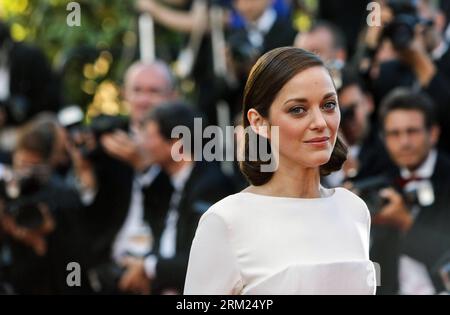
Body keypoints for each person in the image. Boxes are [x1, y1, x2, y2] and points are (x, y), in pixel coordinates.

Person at [184, 47, 376, 295]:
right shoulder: (226, 221)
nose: (320, 122)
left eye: (328, 105)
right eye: (298, 109)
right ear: (258, 122)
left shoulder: (354, 209)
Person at [118, 102, 235, 294]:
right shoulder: (171, 181)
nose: (140, 144)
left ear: (177, 144)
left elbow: (202, 261)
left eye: (148, 136)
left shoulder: (210, 186)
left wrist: (147, 266)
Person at [370, 88, 450, 295]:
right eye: (394, 134)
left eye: (412, 131)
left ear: (433, 133)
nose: (404, 142)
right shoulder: (380, 185)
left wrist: (406, 223)